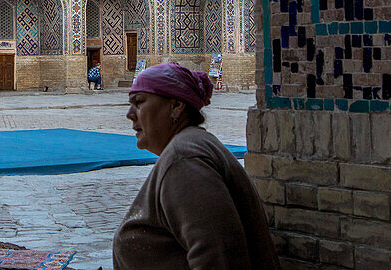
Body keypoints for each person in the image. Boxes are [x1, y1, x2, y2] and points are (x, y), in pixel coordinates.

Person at [113, 62, 280, 270]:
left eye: (139, 102)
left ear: (176, 106)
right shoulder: (189, 148)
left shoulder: (185, 160)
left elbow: (218, 256)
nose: (130, 114)